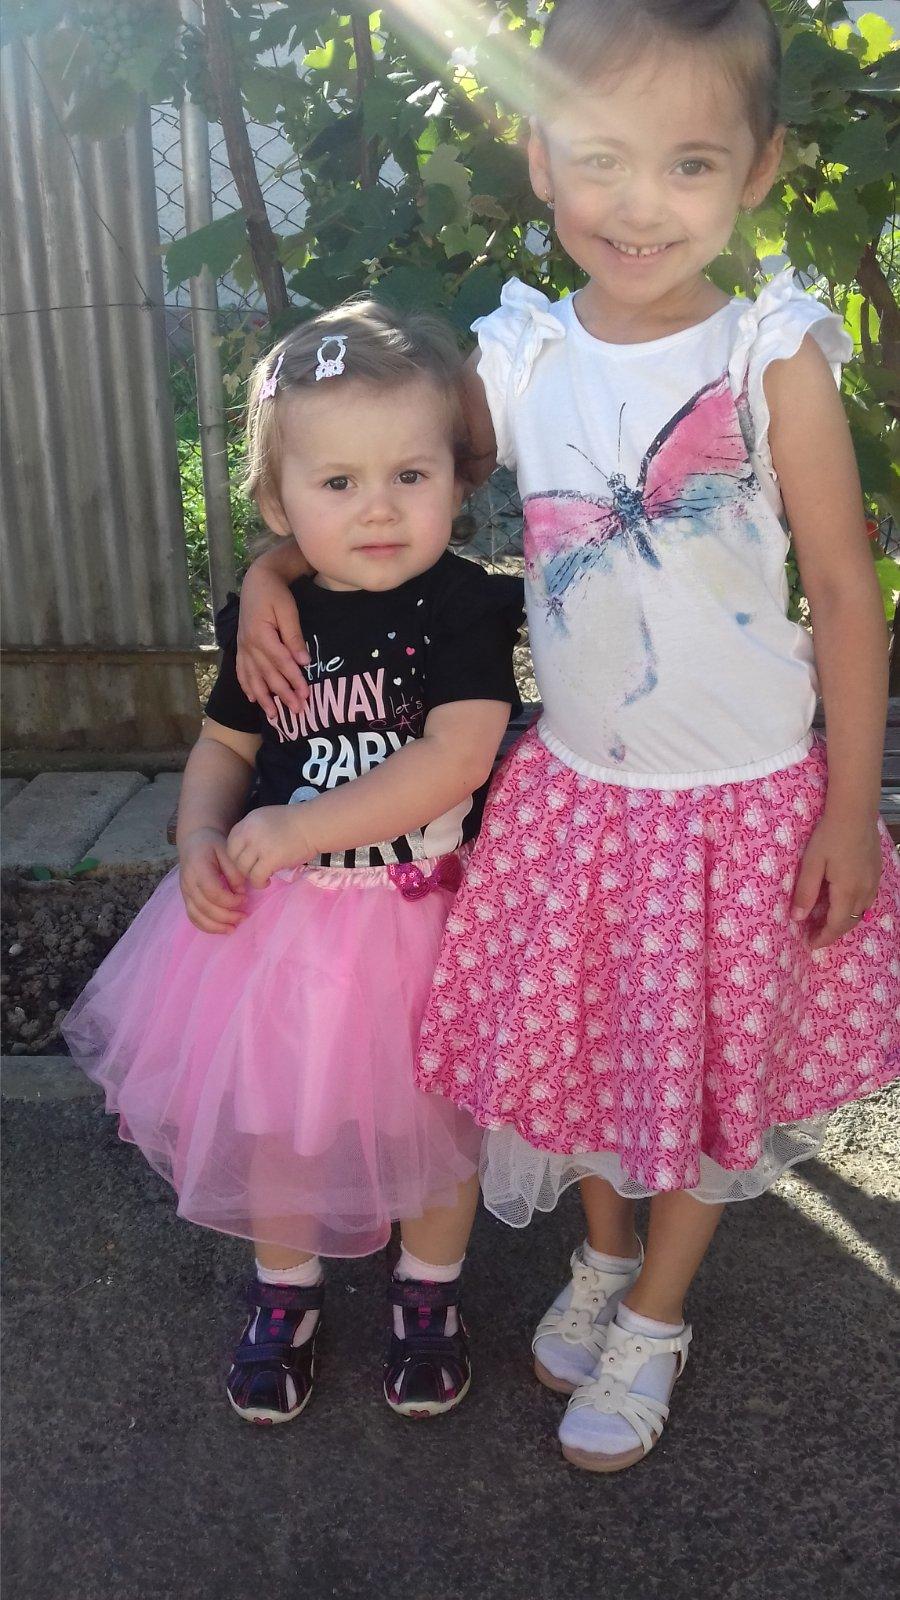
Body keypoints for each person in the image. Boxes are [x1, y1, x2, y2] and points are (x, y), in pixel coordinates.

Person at [232, 0, 900, 1472]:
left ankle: (656, 1310)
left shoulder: (769, 355)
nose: (639, 204)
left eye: (689, 163)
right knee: (592, 1055)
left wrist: (852, 810)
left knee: (714, 1070)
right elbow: (385, 475)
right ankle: (604, 1254)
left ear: (758, 170)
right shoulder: (521, 358)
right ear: (539, 159)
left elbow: (848, 594)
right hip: (583, 799)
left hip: (745, 808)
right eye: (600, 157)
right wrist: (277, 564)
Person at [63, 300, 522, 1427]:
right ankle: (286, 1292)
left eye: (410, 475)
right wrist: (197, 838)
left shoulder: (465, 605)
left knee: (437, 1125)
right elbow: (226, 747)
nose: (379, 507)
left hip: (427, 919)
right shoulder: (268, 619)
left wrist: (302, 829)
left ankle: (428, 1294)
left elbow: (458, 757)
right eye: (338, 483)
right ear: (279, 505)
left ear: (456, 482)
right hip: (282, 930)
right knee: (276, 1116)